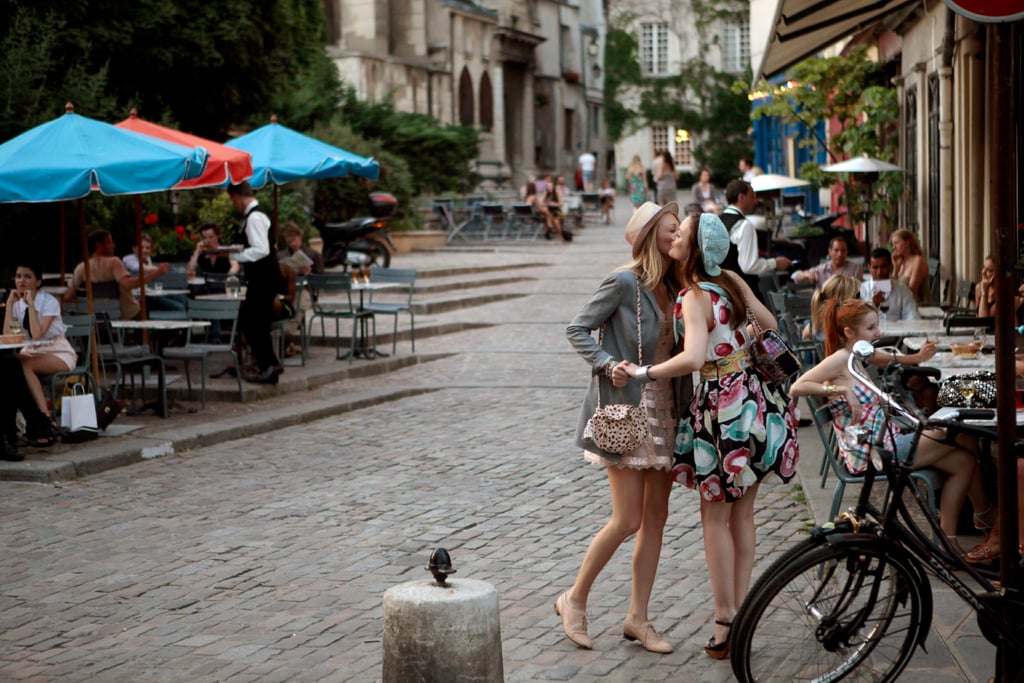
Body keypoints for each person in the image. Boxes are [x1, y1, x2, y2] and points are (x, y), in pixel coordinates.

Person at [617, 212, 800, 660]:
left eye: (683, 232)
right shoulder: (732, 280)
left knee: (715, 519)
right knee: (743, 517)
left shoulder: (694, 295)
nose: (675, 235)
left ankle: (725, 620)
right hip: (756, 403)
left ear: (695, 247)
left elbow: (694, 358)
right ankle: (740, 612)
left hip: (722, 408)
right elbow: (771, 323)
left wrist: (644, 371)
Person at [559, 201, 686, 654]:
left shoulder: (678, 289)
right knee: (627, 519)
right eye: (671, 229)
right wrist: (606, 363)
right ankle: (573, 600)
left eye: (680, 230)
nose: (677, 236)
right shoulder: (623, 282)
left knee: (656, 519)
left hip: (666, 410)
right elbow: (577, 329)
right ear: (653, 234)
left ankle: (638, 618)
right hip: (626, 409)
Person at [789, 298, 992, 551]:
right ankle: (987, 517)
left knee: (964, 461)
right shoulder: (841, 358)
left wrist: (915, 358)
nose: (878, 333)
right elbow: (797, 387)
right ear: (850, 332)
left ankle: (948, 540)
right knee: (963, 436)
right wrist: (840, 388)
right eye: (872, 328)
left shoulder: (856, 357)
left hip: (885, 441)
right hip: (874, 453)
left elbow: (886, 361)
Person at [4, 263, 73, 446]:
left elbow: (36, 334)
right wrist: (10, 305)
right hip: (32, 352)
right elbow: (8, 338)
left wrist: (32, 305)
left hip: (57, 350)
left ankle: (46, 419)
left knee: (25, 365)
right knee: (10, 366)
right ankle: (18, 427)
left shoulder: (49, 302)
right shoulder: (17, 304)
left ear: (38, 281)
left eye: (27, 276)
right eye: (18, 276)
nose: (21, 281)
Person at [227, 181, 284, 385]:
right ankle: (269, 365)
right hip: (264, 277)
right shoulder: (256, 216)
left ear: (238, 197)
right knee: (255, 322)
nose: (233, 205)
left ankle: (269, 365)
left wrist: (238, 255)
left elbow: (261, 249)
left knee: (253, 322)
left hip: (264, 277)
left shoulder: (255, 217)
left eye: (233, 200)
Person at [64, 229, 169, 320]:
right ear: (98, 245)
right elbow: (127, 284)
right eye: (110, 242)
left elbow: (67, 296)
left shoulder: (82, 267)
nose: (114, 245)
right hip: (124, 315)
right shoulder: (114, 262)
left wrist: (84, 306)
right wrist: (157, 273)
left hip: (94, 318)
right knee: (145, 309)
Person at [718, 179, 792, 303]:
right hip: (743, 293)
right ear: (741, 197)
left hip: (722, 290)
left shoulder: (717, 221)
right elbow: (748, 266)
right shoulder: (744, 225)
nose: (755, 201)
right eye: (752, 196)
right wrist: (775, 263)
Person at [123, 233, 185, 313]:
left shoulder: (148, 259)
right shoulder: (128, 259)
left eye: (147, 248)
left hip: (150, 294)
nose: (145, 250)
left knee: (183, 300)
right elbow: (139, 268)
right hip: (137, 299)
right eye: (141, 248)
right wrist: (160, 269)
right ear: (134, 248)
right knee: (179, 307)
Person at [859, 248, 919, 321]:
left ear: (890, 266)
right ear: (869, 268)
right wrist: (874, 305)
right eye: (875, 267)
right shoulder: (862, 289)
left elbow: (912, 315)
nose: (879, 272)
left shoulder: (902, 290)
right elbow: (857, 319)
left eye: (883, 267)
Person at [803, 274, 861, 341]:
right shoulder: (848, 326)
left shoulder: (820, 320)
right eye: (857, 296)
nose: (860, 299)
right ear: (843, 299)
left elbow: (805, 334)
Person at [791, 236, 862, 290]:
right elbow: (795, 276)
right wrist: (807, 274)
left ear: (847, 252)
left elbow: (857, 291)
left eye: (843, 250)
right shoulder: (821, 270)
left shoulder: (855, 268)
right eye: (836, 250)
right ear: (830, 251)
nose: (840, 254)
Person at [890, 228, 930, 303]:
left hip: (918, 306)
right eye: (893, 244)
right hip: (902, 305)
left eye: (896, 243)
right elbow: (892, 286)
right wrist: (895, 268)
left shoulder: (918, 261)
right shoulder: (901, 262)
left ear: (907, 242)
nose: (893, 247)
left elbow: (911, 291)